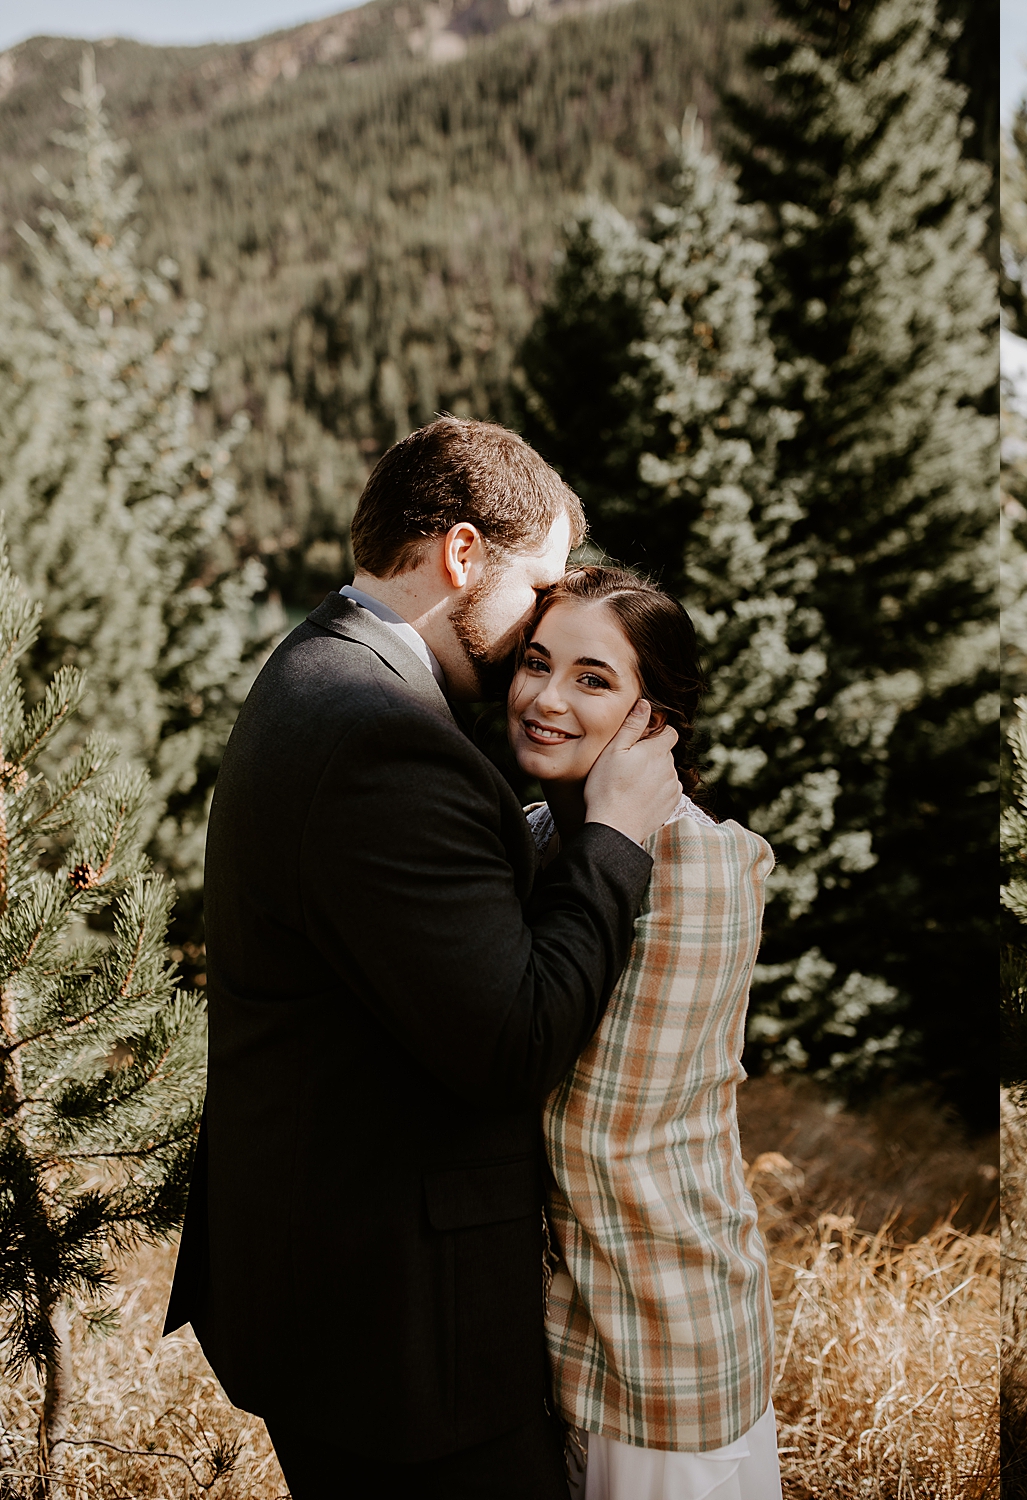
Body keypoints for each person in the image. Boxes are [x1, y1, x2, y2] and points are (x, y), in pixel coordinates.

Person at [164, 417, 684, 1499]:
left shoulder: (313, 666)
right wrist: (616, 838)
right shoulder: (379, 733)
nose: (541, 622)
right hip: (398, 1334)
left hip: (324, 1284)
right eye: (535, 589)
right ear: (459, 557)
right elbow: (510, 1040)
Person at [505, 566, 781, 1500]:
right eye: (536, 664)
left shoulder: (689, 865)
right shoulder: (552, 830)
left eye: (593, 679)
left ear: (653, 717)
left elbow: (595, 1131)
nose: (545, 698)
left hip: (658, 1345)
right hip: (592, 1332)